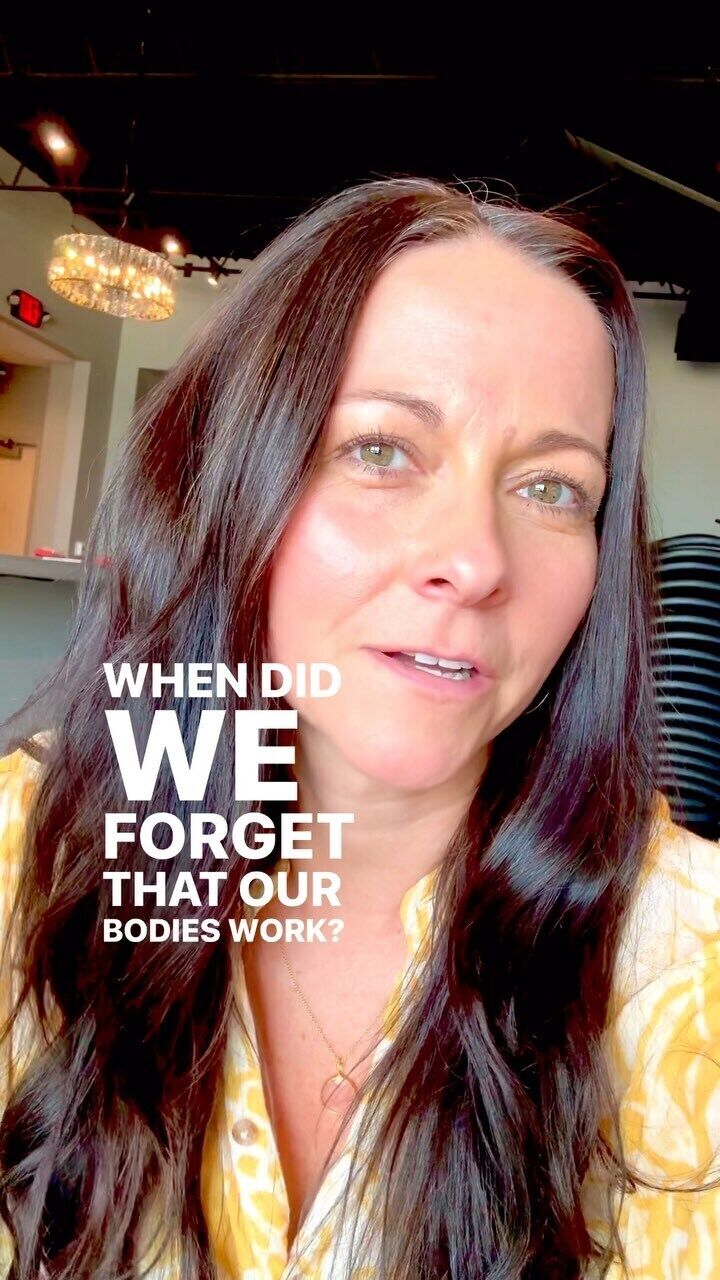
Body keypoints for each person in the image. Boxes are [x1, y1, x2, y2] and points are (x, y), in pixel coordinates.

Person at [0, 176, 718, 1280]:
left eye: (551, 488)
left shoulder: (687, 964)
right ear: (228, 479)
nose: (473, 561)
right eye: (382, 450)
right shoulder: (26, 857)